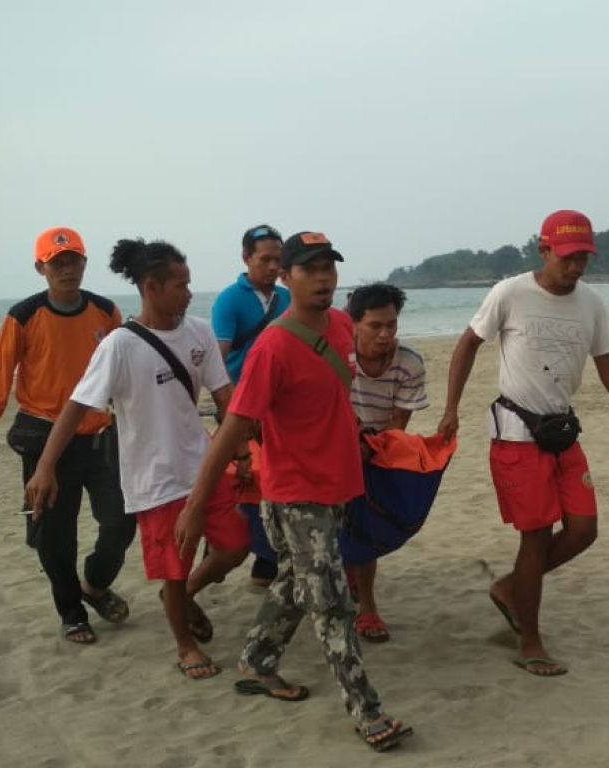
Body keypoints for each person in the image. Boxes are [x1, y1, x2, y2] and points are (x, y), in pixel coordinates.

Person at [179, 232, 414, 751]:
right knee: (330, 600)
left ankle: (258, 661)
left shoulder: (339, 326)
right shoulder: (272, 347)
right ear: (286, 278)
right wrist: (197, 504)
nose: (324, 277)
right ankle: (368, 712)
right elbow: (236, 425)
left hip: (338, 482)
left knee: (294, 580)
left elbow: (363, 369)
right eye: (310, 268)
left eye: (329, 266)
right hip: (294, 492)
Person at [437, 209, 609, 677]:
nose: (576, 267)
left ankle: (510, 588)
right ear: (543, 250)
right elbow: (466, 345)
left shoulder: (591, 304)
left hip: (561, 431)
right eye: (567, 257)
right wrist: (451, 408)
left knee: (584, 530)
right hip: (517, 434)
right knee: (535, 536)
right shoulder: (510, 293)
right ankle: (531, 641)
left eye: (584, 258)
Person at [25, 238, 250, 680]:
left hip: (203, 465)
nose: (189, 293)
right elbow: (76, 407)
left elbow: (226, 396)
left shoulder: (199, 331)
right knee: (173, 564)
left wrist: (241, 446)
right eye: (181, 285)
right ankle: (185, 646)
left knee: (236, 546)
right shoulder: (119, 346)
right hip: (154, 479)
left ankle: (182, 596)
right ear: (151, 287)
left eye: (189, 284)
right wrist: (46, 465)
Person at [0, 227, 136, 644]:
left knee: (121, 523)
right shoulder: (23, 316)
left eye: (73, 260)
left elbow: (124, 373)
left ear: (84, 263)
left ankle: (93, 585)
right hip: (45, 441)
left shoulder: (105, 311)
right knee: (56, 535)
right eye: (57, 263)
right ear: (41, 267)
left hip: (99, 436)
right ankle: (72, 611)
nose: (67, 269)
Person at [345, 283, 429, 643]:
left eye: (391, 325)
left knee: (366, 526)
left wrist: (373, 450)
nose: (385, 334)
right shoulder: (337, 356)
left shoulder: (408, 363)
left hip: (379, 447)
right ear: (354, 324)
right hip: (335, 443)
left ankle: (367, 609)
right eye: (375, 325)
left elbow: (398, 426)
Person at [211, 224, 291, 587]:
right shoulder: (229, 299)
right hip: (243, 405)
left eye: (279, 259)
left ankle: (268, 560)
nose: (274, 267)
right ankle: (233, 554)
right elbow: (217, 362)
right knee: (245, 479)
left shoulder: (288, 299)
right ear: (246, 258)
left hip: (282, 406)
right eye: (266, 259)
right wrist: (232, 410)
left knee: (278, 480)